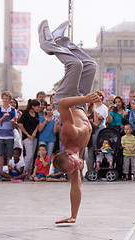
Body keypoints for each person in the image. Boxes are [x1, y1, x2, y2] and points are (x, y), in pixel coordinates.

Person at [38, 19, 98, 224]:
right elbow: (76, 186)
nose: (79, 167)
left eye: (75, 165)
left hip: (67, 98)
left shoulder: (69, 135)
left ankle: (47, 44)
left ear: (69, 154)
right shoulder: (75, 159)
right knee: (90, 65)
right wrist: (73, 216)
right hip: (80, 103)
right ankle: (61, 39)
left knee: (75, 64)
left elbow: (63, 104)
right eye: (76, 169)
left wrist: (86, 99)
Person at [0, 91, 18, 175]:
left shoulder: (13, 110)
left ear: (10, 99)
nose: (5, 100)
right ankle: (0, 172)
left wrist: (13, 122)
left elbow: (16, 124)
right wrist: (3, 118)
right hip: (0, 135)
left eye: (7, 98)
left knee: (9, 155)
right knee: (0, 155)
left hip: (10, 135)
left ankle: (8, 172)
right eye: (4, 98)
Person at [18, 99, 40, 178]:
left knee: (32, 154)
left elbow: (38, 124)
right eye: (37, 107)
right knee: (29, 155)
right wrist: (27, 134)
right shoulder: (26, 113)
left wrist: (34, 133)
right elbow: (20, 124)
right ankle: (24, 170)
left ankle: (29, 173)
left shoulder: (36, 114)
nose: (38, 108)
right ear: (32, 106)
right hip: (27, 137)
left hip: (34, 137)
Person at [85, 102, 98, 171]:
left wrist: (92, 123)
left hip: (91, 134)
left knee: (90, 154)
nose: (87, 104)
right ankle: (79, 172)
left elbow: (96, 126)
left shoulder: (94, 113)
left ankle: (90, 171)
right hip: (83, 135)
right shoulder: (82, 112)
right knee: (81, 154)